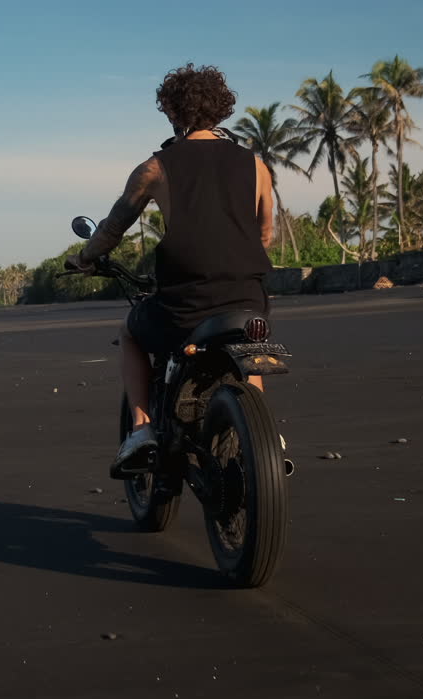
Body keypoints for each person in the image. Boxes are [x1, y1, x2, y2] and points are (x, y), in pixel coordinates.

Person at [67, 63, 275, 472]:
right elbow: (265, 235)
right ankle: (268, 439)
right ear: (221, 108)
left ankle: (142, 429)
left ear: (171, 112)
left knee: (130, 332)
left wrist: (85, 258)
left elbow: (111, 229)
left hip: (186, 302)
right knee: (250, 351)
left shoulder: (155, 168)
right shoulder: (256, 166)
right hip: (248, 296)